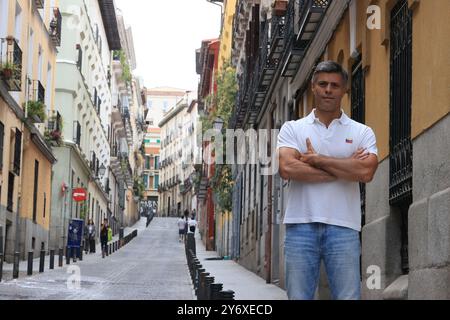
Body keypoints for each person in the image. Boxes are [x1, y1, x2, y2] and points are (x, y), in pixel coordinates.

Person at [277, 61, 379, 300]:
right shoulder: (293, 128)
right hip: (300, 225)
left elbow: (366, 172)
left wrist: (317, 159)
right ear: (313, 87)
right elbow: (287, 167)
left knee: (348, 297)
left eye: (335, 85)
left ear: (344, 90)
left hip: (344, 226)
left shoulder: (361, 132)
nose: (328, 90)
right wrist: (344, 168)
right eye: (322, 84)